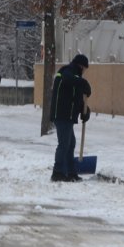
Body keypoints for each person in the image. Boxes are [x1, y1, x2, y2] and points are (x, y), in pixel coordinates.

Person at [50, 54, 92, 182]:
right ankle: (57, 172)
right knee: (64, 144)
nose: (84, 72)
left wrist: (84, 112)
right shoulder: (67, 71)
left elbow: (76, 98)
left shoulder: (75, 78)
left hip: (67, 115)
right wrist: (83, 83)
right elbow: (69, 80)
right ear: (81, 65)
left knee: (70, 143)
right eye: (85, 68)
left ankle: (69, 172)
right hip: (61, 114)